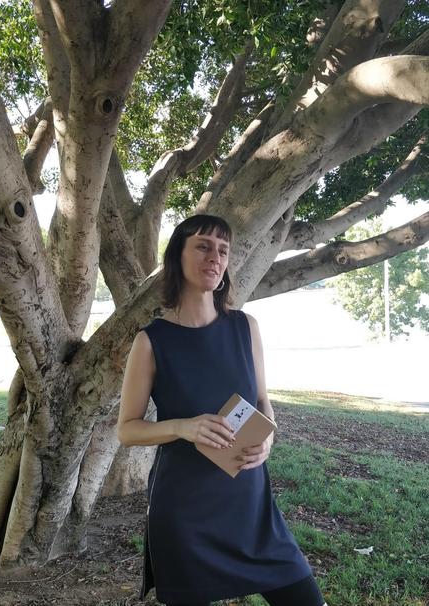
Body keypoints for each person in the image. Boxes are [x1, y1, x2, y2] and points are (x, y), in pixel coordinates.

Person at [117, 214, 327, 606]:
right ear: (177, 256)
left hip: (252, 507)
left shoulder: (246, 327)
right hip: (185, 513)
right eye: (203, 246)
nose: (215, 257)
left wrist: (267, 440)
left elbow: (262, 402)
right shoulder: (151, 341)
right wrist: (183, 427)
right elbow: (127, 429)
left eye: (223, 250)